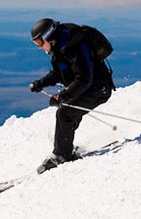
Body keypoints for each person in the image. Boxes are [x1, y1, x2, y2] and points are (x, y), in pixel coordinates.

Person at [29, 18, 114, 173]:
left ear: (48, 37)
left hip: (98, 89)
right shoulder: (62, 47)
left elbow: (83, 78)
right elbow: (59, 73)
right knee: (66, 113)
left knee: (65, 113)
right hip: (88, 88)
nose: (39, 47)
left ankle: (61, 155)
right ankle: (65, 148)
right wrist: (41, 83)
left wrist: (64, 95)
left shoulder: (74, 47)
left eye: (40, 43)